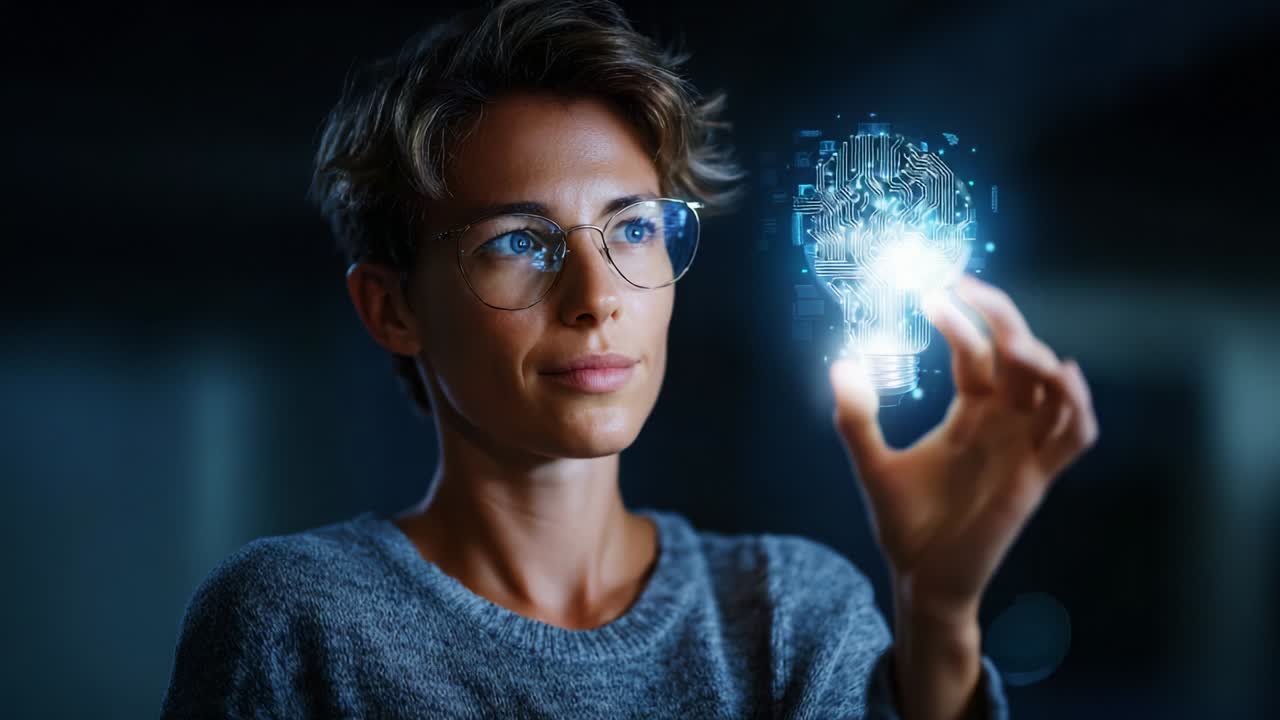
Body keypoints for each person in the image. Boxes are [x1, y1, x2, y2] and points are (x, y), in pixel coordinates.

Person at [161, 1, 1098, 717]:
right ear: (393, 307)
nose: (597, 297)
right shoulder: (295, 623)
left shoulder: (789, 615)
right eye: (519, 242)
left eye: (635, 229)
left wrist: (935, 618)